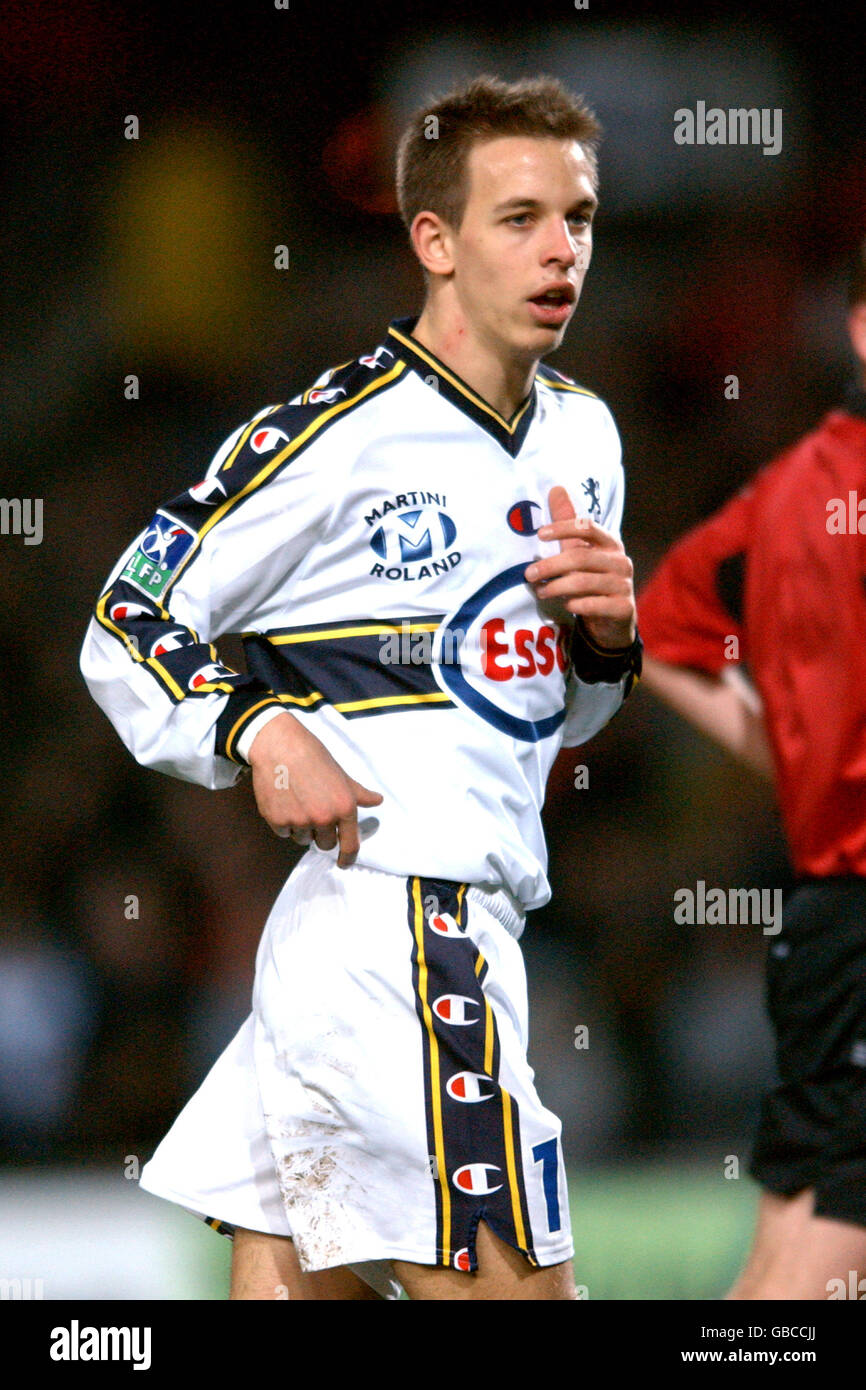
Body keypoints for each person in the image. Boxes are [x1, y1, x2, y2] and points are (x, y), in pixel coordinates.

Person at [80, 74, 641, 1302]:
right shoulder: (332, 437)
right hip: (398, 923)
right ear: (431, 241)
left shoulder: (585, 438)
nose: (561, 250)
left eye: (580, 218)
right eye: (519, 218)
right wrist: (257, 722)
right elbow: (125, 622)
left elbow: (542, 716)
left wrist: (605, 645)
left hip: (456, 916)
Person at [636, 237, 866, 1300]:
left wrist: (793, 762)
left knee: (787, 1245)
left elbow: (656, 629)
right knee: (821, 1260)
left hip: (829, 923)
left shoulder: (780, 493)